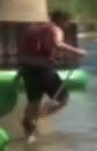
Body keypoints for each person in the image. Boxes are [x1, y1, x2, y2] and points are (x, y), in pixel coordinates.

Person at [18, 10, 86, 142]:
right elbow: (58, 44)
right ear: (61, 20)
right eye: (66, 22)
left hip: (28, 70)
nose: (66, 25)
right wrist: (77, 52)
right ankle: (38, 117)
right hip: (43, 70)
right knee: (63, 99)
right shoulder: (55, 29)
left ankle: (29, 133)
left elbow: (23, 50)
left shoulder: (34, 29)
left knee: (33, 101)